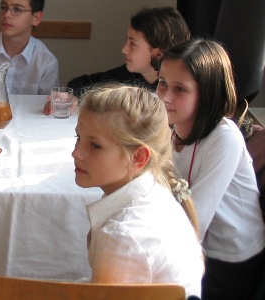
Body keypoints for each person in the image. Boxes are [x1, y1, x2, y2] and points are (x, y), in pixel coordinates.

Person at [157, 38, 265, 300]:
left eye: (180, 89)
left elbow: (195, 222)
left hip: (230, 260)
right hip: (197, 249)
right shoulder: (171, 127)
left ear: (207, 94)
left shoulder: (224, 138)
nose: (165, 97)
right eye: (162, 83)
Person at [73, 84, 204, 297]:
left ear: (138, 158)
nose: (76, 153)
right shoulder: (155, 188)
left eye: (95, 145)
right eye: (78, 138)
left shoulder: (123, 236)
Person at [44, 6, 190, 114]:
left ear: (157, 53)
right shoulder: (129, 76)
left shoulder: (179, 94)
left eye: (132, 43)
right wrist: (73, 95)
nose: (124, 49)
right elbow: (84, 83)